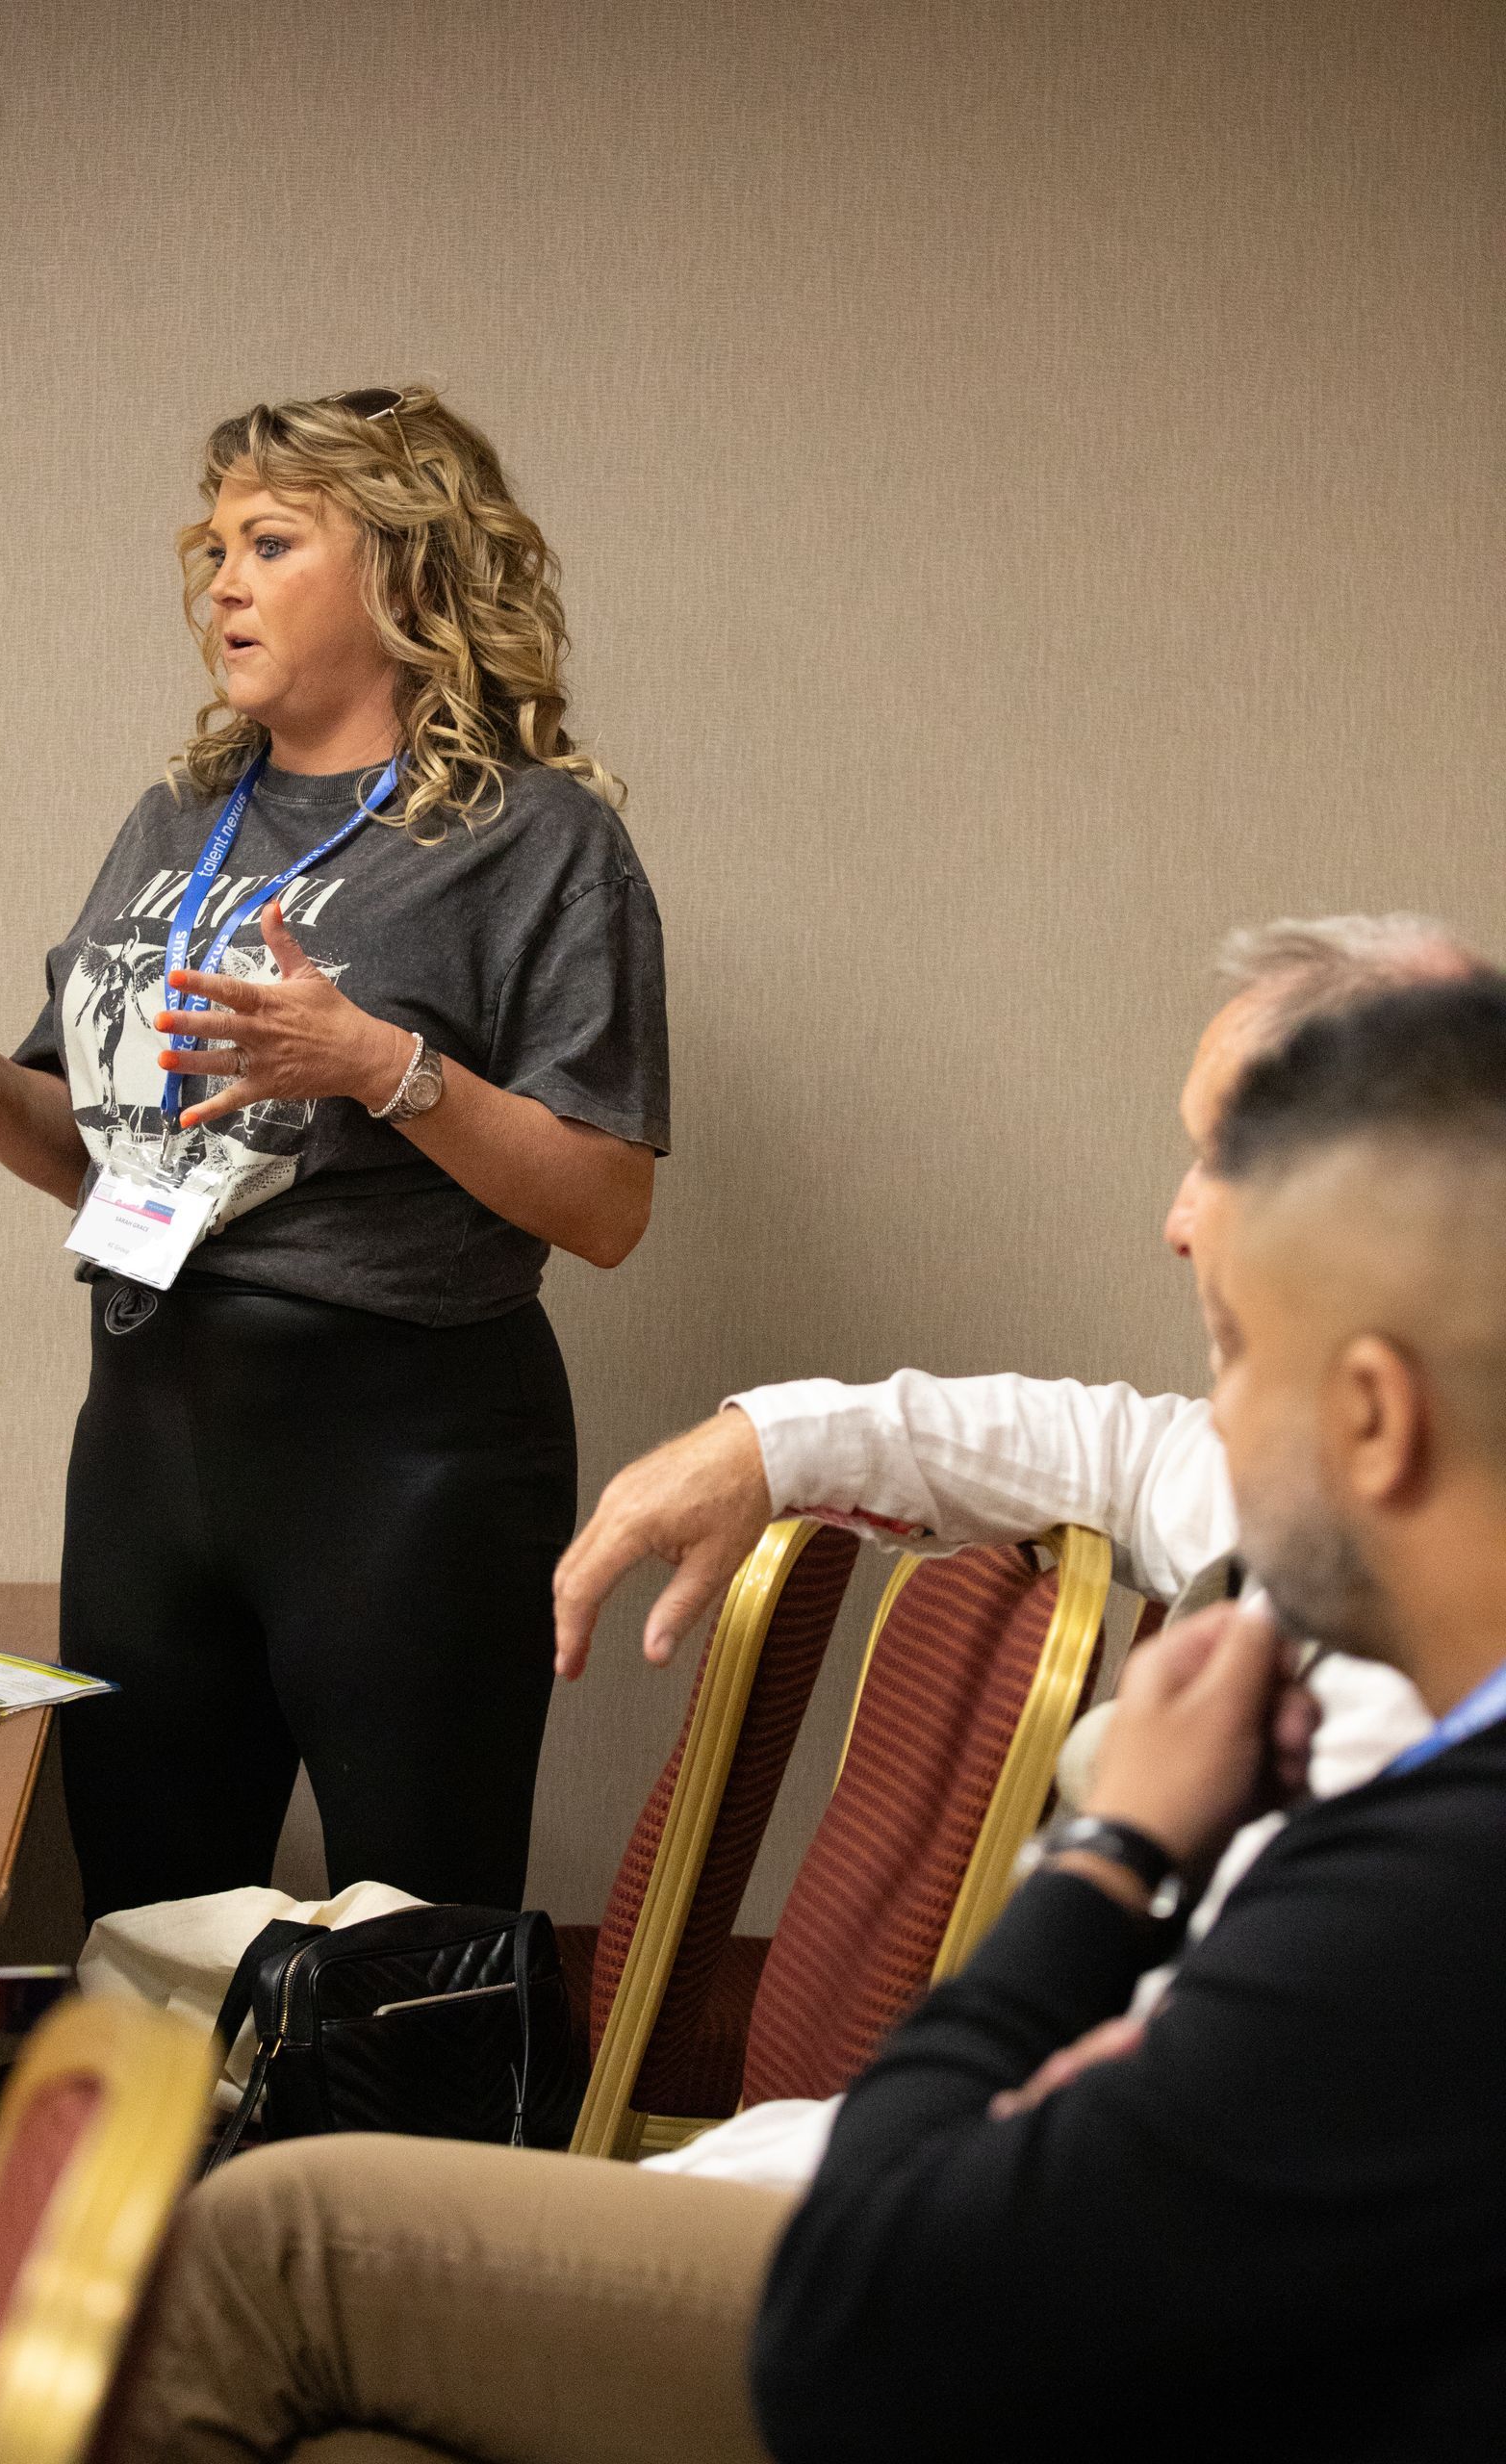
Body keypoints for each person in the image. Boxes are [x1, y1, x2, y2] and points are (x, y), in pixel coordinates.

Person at [102, 974, 1506, 2464]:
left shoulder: (1427, 1884)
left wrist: (1111, 1866)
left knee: (277, 2240)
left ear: (1374, 1416)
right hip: (1028, 2264)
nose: (1201, 1426)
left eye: (1233, 1361)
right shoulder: (1409, 1786)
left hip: (976, 2326)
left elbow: (885, 2301)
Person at [0, 386, 669, 1921]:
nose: (222, 583)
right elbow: (94, 1151)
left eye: (269, 541)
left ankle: (401, 2182)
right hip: (149, 1441)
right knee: (144, 1934)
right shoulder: (180, 816)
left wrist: (382, 1066)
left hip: (406, 1458)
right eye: (213, 549)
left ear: (404, 569)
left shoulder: (536, 840)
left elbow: (607, 1207)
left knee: (407, 1950)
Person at [561, 911, 1478, 2194]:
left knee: (296, 2246)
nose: (1175, 1223)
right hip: (1012, 2183)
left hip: (1056, 2233)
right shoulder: (1331, 1489)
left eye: (1218, 1163)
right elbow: (1117, 1445)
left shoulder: (1435, 1757)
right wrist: (770, 1442)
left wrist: (1117, 1848)